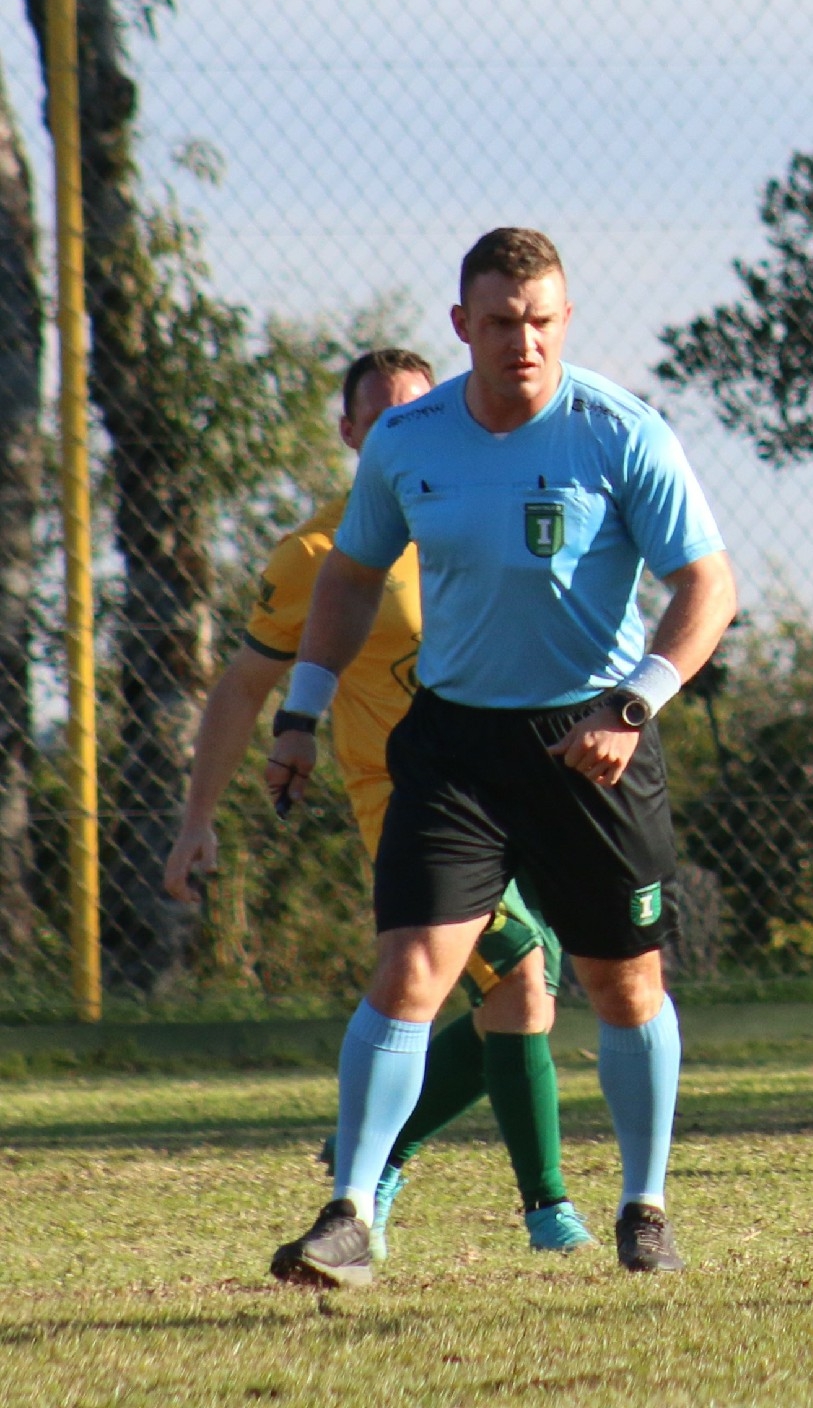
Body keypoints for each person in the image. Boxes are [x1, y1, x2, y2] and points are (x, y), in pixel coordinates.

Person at [262, 228, 738, 1287]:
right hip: (456, 744)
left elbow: (707, 587)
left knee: (623, 984)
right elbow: (347, 578)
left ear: (564, 320)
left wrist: (635, 704)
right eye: (500, 321)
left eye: (541, 320)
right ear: (462, 325)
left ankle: (644, 1206)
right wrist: (300, 713)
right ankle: (349, 1211)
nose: (522, 340)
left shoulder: (622, 432)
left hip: (591, 742)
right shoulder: (409, 439)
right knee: (409, 973)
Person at [165, 349, 597, 1260]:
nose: (407, 425)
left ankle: (383, 1151)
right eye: (384, 415)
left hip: (522, 785)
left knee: (532, 982)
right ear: (354, 434)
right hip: (415, 802)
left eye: (421, 406)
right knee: (518, 976)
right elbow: (244, 685)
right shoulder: (320, 554)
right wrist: (197, 819)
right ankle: (544, 1216)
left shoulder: (475, 515)